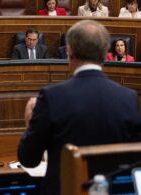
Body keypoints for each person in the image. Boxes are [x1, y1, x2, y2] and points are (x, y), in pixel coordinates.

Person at [18, 20, 141, 195]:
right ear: (106, 53)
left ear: (69, 51)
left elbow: (29, 159)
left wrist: (30, 126)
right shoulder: (129, 98)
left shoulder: (52, 97)